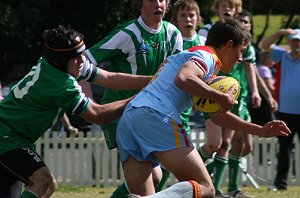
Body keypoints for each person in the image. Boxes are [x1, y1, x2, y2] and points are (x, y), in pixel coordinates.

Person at [116, 19, 290, 198]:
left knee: (144, 193)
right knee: (206, 188)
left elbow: (218, 117)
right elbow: (183, 78)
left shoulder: (198, 63)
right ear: (229, 44)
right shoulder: (207, 56)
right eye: (241, 51)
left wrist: (260, 130)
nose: (240, 58)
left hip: (131, 118)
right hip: (157, 116)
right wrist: (221, 97)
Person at [0, 25, 152, 198]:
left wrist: (152, 80)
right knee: (45, 183)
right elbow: (99, 115)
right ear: (59, 60)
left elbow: (110, 78)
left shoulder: (58, 65)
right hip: (8, 138)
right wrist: (143, 95)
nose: (83, 60)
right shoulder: (60, 83)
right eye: (76, 57)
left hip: (11, 136)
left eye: (82, 53)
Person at [85, 0, 183, 196]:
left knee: (154, 178)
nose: (158, 4)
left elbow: (178, 74)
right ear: (139, 5)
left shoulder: (173, 33)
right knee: (145, 181)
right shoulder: (127, 33)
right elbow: (84, 62)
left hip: (151, 114)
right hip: (121, 115)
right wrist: (89, 104)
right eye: (151, 0)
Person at [259, 28, 300, 191]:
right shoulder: (282, 55)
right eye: (294, 40)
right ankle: (280, 184)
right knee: (284, 150)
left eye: (299, 41)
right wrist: (280, 32)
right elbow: (264, 45)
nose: (296, 43)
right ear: (289, 42)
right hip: (285, 111)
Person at [170, 0, 206, 134]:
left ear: (198, 19)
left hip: (192, 98)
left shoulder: (204, 43)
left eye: (191, 15)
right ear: (176, 20)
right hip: (171, 98)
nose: (188, 19)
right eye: (183, 15)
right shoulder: (171, 41)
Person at [250, 51, 276, 125]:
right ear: (266, 59)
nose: (273, 62)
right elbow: (269, 86)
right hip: (264, 98)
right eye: (272, 59)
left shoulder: (259, 67)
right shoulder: (265, 69)